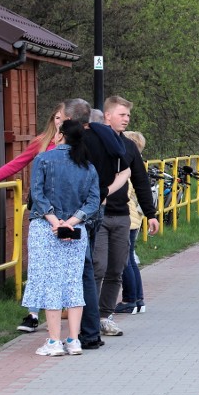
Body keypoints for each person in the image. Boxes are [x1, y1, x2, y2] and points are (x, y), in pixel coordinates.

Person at [0, 102, 66, 334]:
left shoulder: (78, 145)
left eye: (65, 119)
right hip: (42, 211)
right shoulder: (41, 143)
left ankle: (69, 310)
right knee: (38, 263)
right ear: (52, 119)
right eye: (58, 118)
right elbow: (14, 165)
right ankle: (32, 313)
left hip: (69, 212)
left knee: (64, 265)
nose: (61, 123)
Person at [22, 119, 100, 356]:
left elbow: (37, 193)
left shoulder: (43, 160)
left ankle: (54, 342)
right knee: (73, 282)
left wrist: (55, 221)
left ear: (61, 135)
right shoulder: (88, 167)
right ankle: (73, 340)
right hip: (76, 231)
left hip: (45, 229)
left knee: (49, 282)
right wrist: (72, 222)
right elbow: (93, 202)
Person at [65, 97, 130, 349]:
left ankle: (86, 332)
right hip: (99, 208)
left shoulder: (78, 142)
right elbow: (125, 169)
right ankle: (91, 329)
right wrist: (105, 192)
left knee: (84, 271)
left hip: (77, 210)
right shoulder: (110, 139)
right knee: (90, 269)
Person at [95, 96, 159, 336]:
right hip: (98, 215)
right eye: (122, 115)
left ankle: (105, 316)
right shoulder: (94, 143)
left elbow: (141, 181)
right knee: (98, 266)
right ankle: (90, 318)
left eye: (128, 116)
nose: (126, 119)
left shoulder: (129, 147)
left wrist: (151, 214)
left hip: (122, 215)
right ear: (107, 115)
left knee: (117, 268)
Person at [114, 131, 148, 314]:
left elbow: (126, 192)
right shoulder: (139, 164)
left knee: (125, 260)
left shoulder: (127, 166)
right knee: (131, 260)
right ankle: (138, 299)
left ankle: (129, 299)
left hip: (126, 215)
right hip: (135, 217)